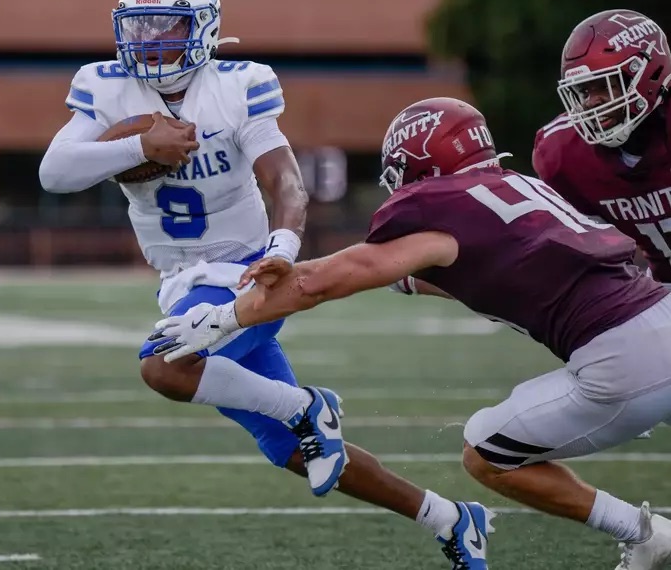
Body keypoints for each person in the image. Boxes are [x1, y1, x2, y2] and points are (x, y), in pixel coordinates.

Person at [41, 0, 493, 569]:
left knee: (164, 367)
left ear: (201, 28)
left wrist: (283, 248)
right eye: (139, 25)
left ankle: (309, 405)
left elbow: (284, 179)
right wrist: (138, 145)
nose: (149, 40)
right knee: (293, 450)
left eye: (166, 25)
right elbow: (55, 171)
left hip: (249, 272)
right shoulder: (106, 85)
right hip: (180, 281)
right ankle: (453, 519)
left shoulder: (238, 83)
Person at [155, 96, 671, 570]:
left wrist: (228, 316)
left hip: (620, 359)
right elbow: (489, 270)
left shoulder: (443, 210)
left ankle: (643, 532)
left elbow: (324, 281)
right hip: (660, 314)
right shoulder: (518, 188)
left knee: (485, 454)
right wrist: (402, 281)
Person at [534, 9, 671, 290]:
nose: (592, 103)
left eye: (606, 87)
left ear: (648, 75)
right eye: (585, 91)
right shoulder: (565, 155)